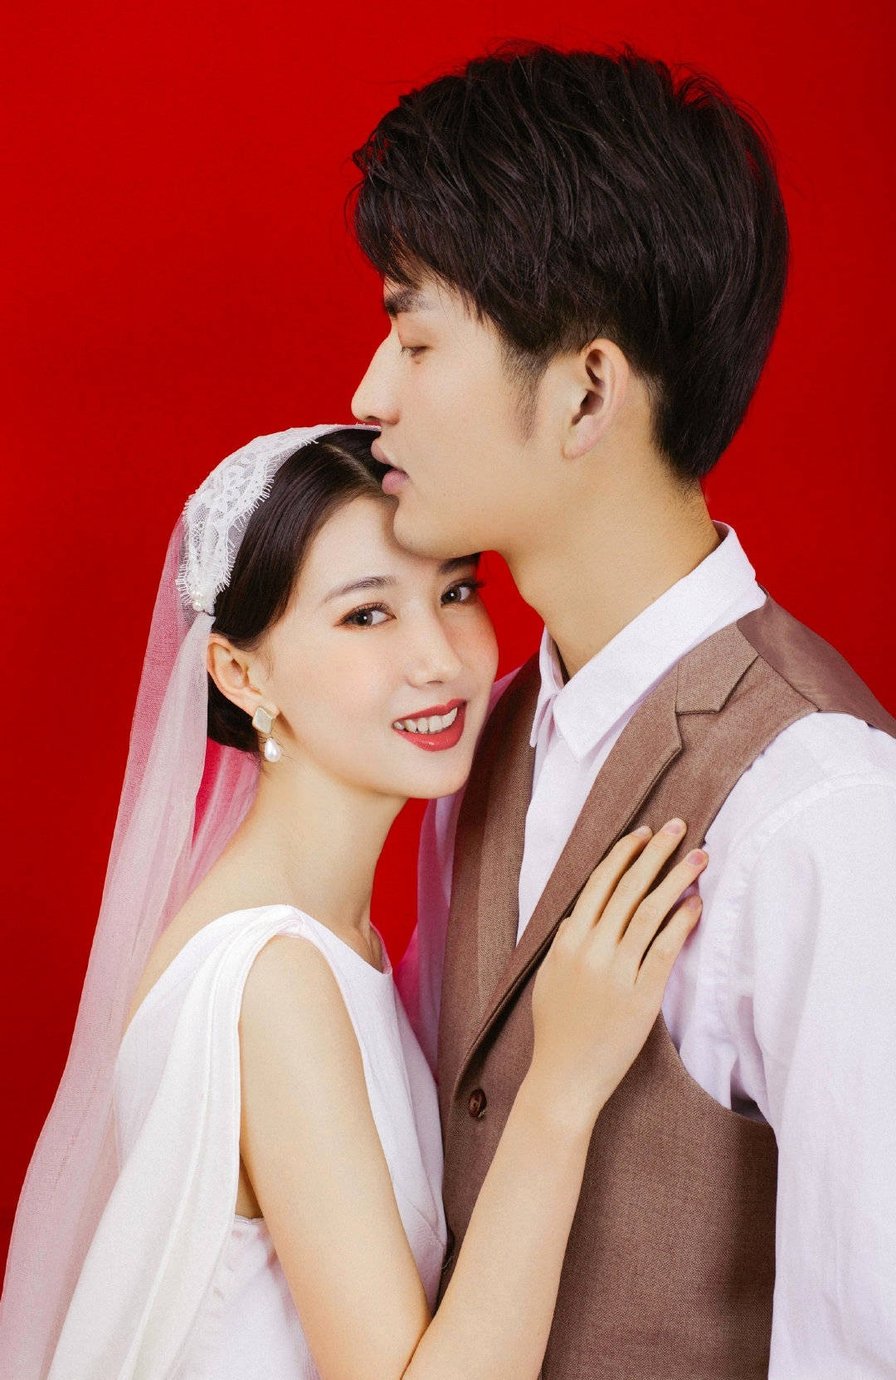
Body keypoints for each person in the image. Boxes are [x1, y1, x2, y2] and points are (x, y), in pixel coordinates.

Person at [350, 44, 896, 1379]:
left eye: (415, 340)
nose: (370, 398)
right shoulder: (486, 733)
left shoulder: (818, 808)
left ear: (587, 391)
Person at [0, 423, 707, 1379]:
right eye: (367, 615)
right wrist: (563, 1087)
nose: (440, 657)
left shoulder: (339, 942)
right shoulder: (272, 980)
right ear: (242, 674)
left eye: (456, 592)